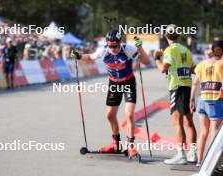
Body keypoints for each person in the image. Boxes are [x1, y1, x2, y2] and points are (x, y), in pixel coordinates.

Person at [71, 29, 149, 158]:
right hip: (114, 84)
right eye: (109, 45)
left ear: (120, 42)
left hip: (128, 82)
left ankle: (130, 145)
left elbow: (145, 61)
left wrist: (140, 47)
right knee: (110, 115)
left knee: (129, 114)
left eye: (114, 45)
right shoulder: (103, 50)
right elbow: (90, 57)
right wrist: (78, 56)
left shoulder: (127, 49)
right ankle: (116, 144)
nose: (112, 48)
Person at [155, 24, 197, 164]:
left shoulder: (169, 50)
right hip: (187, 86)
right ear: (178, 35)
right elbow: (194, 69)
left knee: (177, 122)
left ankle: (181, 154)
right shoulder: (186, 50)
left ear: (165, 36)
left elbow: (163, 69)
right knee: (189, 122)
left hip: (176, 87)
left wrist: (156, 59)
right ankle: (193, 152)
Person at [190, 40, 223, 167]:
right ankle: (211, 162)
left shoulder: (202, 63)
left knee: (203, 132)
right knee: (214, 133)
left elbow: (195, 83)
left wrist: (192, 99)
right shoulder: (221, 64)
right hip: (215, 101)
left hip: (202, 100)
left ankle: (199, 161)